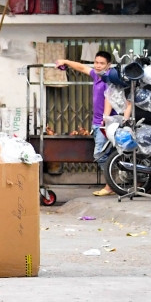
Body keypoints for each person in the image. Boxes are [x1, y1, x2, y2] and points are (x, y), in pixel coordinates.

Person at [56, 51, 117, 196]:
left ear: (108, 65)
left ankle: (111, 184)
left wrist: (105, 118)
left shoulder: (109, 79)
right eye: (96, 62)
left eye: (101, 63)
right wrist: (66, 61)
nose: (97, 65)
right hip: (97, 123)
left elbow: (109, 99)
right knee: (103, 154)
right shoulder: (97, 75)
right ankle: (112, 182)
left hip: (105, 123)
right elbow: (82, 68)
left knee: (99, 154)